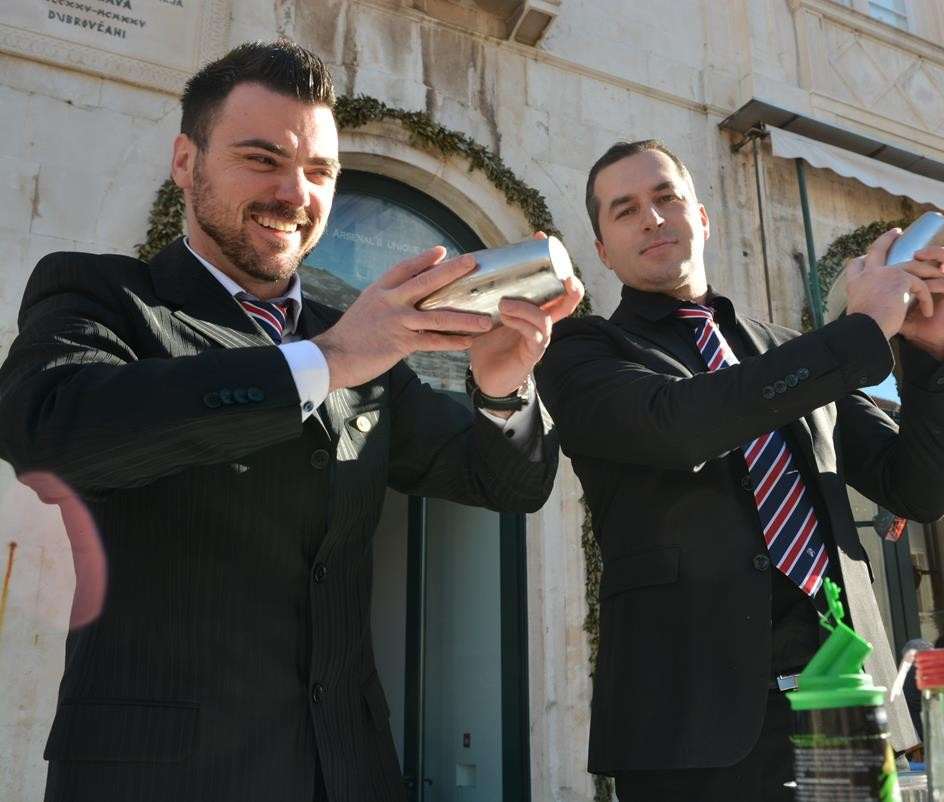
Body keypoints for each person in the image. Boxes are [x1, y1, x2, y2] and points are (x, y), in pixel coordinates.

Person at [0, 41, 581, 802]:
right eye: (261, 159)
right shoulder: (104, 295)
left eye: (320, 171)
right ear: (186, 162)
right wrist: (327, 361)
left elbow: (505, 485)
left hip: (349, 773)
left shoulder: (358, 335)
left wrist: (503, 388)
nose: (294, 193)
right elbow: (51, 433)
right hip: (160, 777)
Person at [536, 140, 944, 801]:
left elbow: (915, 488)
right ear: (602, 250)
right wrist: (861, 329)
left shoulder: (789, 351)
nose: (652, 218)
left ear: (702, 218)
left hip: (845, 698)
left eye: (666, 198)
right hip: (692, 729)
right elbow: (681, 424)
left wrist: (933, 354)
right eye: (625, 210)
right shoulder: (582, 353)